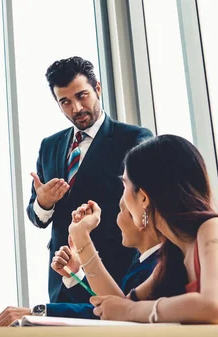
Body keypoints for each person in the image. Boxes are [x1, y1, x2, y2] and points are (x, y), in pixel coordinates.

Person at [26, 56, 154, 303]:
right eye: (65, 101)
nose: (76, 108)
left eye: (81, 96)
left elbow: (146, 206)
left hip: (115, 272)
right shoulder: (50, 146)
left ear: (97, 89)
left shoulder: (134, 138)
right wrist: (43, 203)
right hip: (63, 274)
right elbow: (37, 217)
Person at [89, 135, 218, 323]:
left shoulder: (211, 228)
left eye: (124, 184)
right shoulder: (172, 253)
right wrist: (81, 239)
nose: (122, 197)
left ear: (143, 198)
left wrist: (130, 310)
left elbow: (212, 307)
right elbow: (120, 305)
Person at [0, 198, 162, 325]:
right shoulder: (144, 261)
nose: (116, 220)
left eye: (120, 210)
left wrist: (38, 313)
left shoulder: (161, 267)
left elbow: (118, 316)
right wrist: (75, 274)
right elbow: (109, 308)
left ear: (142, 210)